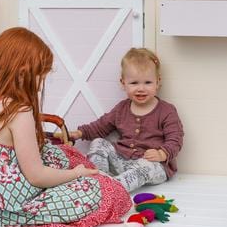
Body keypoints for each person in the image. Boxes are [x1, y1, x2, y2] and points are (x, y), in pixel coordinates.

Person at [0, 27, 131, 227]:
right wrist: (76, 174)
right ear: (23, 72)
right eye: (41, 75)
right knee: (111, 191)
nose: (41, 84)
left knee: (62, 154)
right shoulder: (18, 111)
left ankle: (72, 174)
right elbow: (36, 177)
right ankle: (58, 193)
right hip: (10, 204)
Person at [64, 48, 184, 192]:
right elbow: (100, 126)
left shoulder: (166, 110)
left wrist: (162, 153)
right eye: (134, 83)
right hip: (123, 160)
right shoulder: (121, 109)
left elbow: (175, 138)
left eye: (147, 82)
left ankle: (113, 190)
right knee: (98, 143)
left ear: (157, 82)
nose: (141, 88)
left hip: (153, 165)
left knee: (146, 167)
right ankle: (98, 180)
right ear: (123, 83)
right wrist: (79, 133)